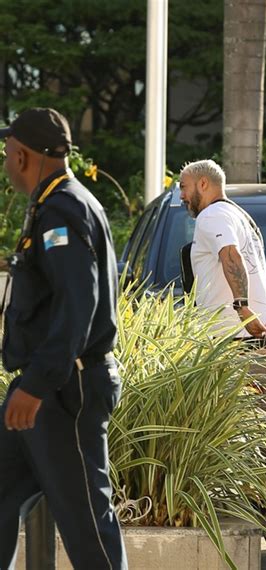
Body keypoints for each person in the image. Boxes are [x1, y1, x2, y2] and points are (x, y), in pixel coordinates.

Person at [0, 108, 127, 569]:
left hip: (61, 392)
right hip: (41, 388)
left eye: (7, 152)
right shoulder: (57, 203)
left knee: (87, 524)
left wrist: (35, 385)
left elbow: (78, 306)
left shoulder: (63, 209)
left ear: (22, 155)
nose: (6, 161)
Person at [179, 158, 266, 526]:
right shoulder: (239, 215)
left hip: (230, 336)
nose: (182, 196)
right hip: (247, 333)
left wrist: (242, 308)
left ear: (204, 184)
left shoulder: (213, 217)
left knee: (229, 420)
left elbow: (230, 257)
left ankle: (264, 500)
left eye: (184, 187)